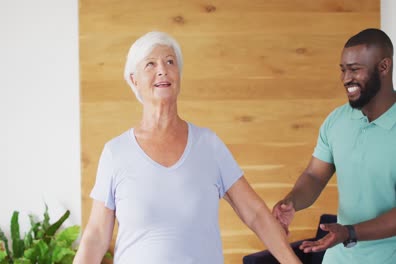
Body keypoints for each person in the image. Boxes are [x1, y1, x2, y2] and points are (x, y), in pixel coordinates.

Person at [73, 31, 301, 264]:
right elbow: (97, 236)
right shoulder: (116, 152)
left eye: (170, 61)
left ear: (178, 74)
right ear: (134, 80)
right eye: (150, 64)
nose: (162, 69)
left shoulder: (208, 145)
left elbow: (255, 214)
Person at [273, 28, 396, 263]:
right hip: (340, 257)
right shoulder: (337, 121)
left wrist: (350, 232)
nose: (345, 78)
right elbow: (314, 176)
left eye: (355, 69)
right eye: (343, 70)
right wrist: (291, 202)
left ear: (383, 67)